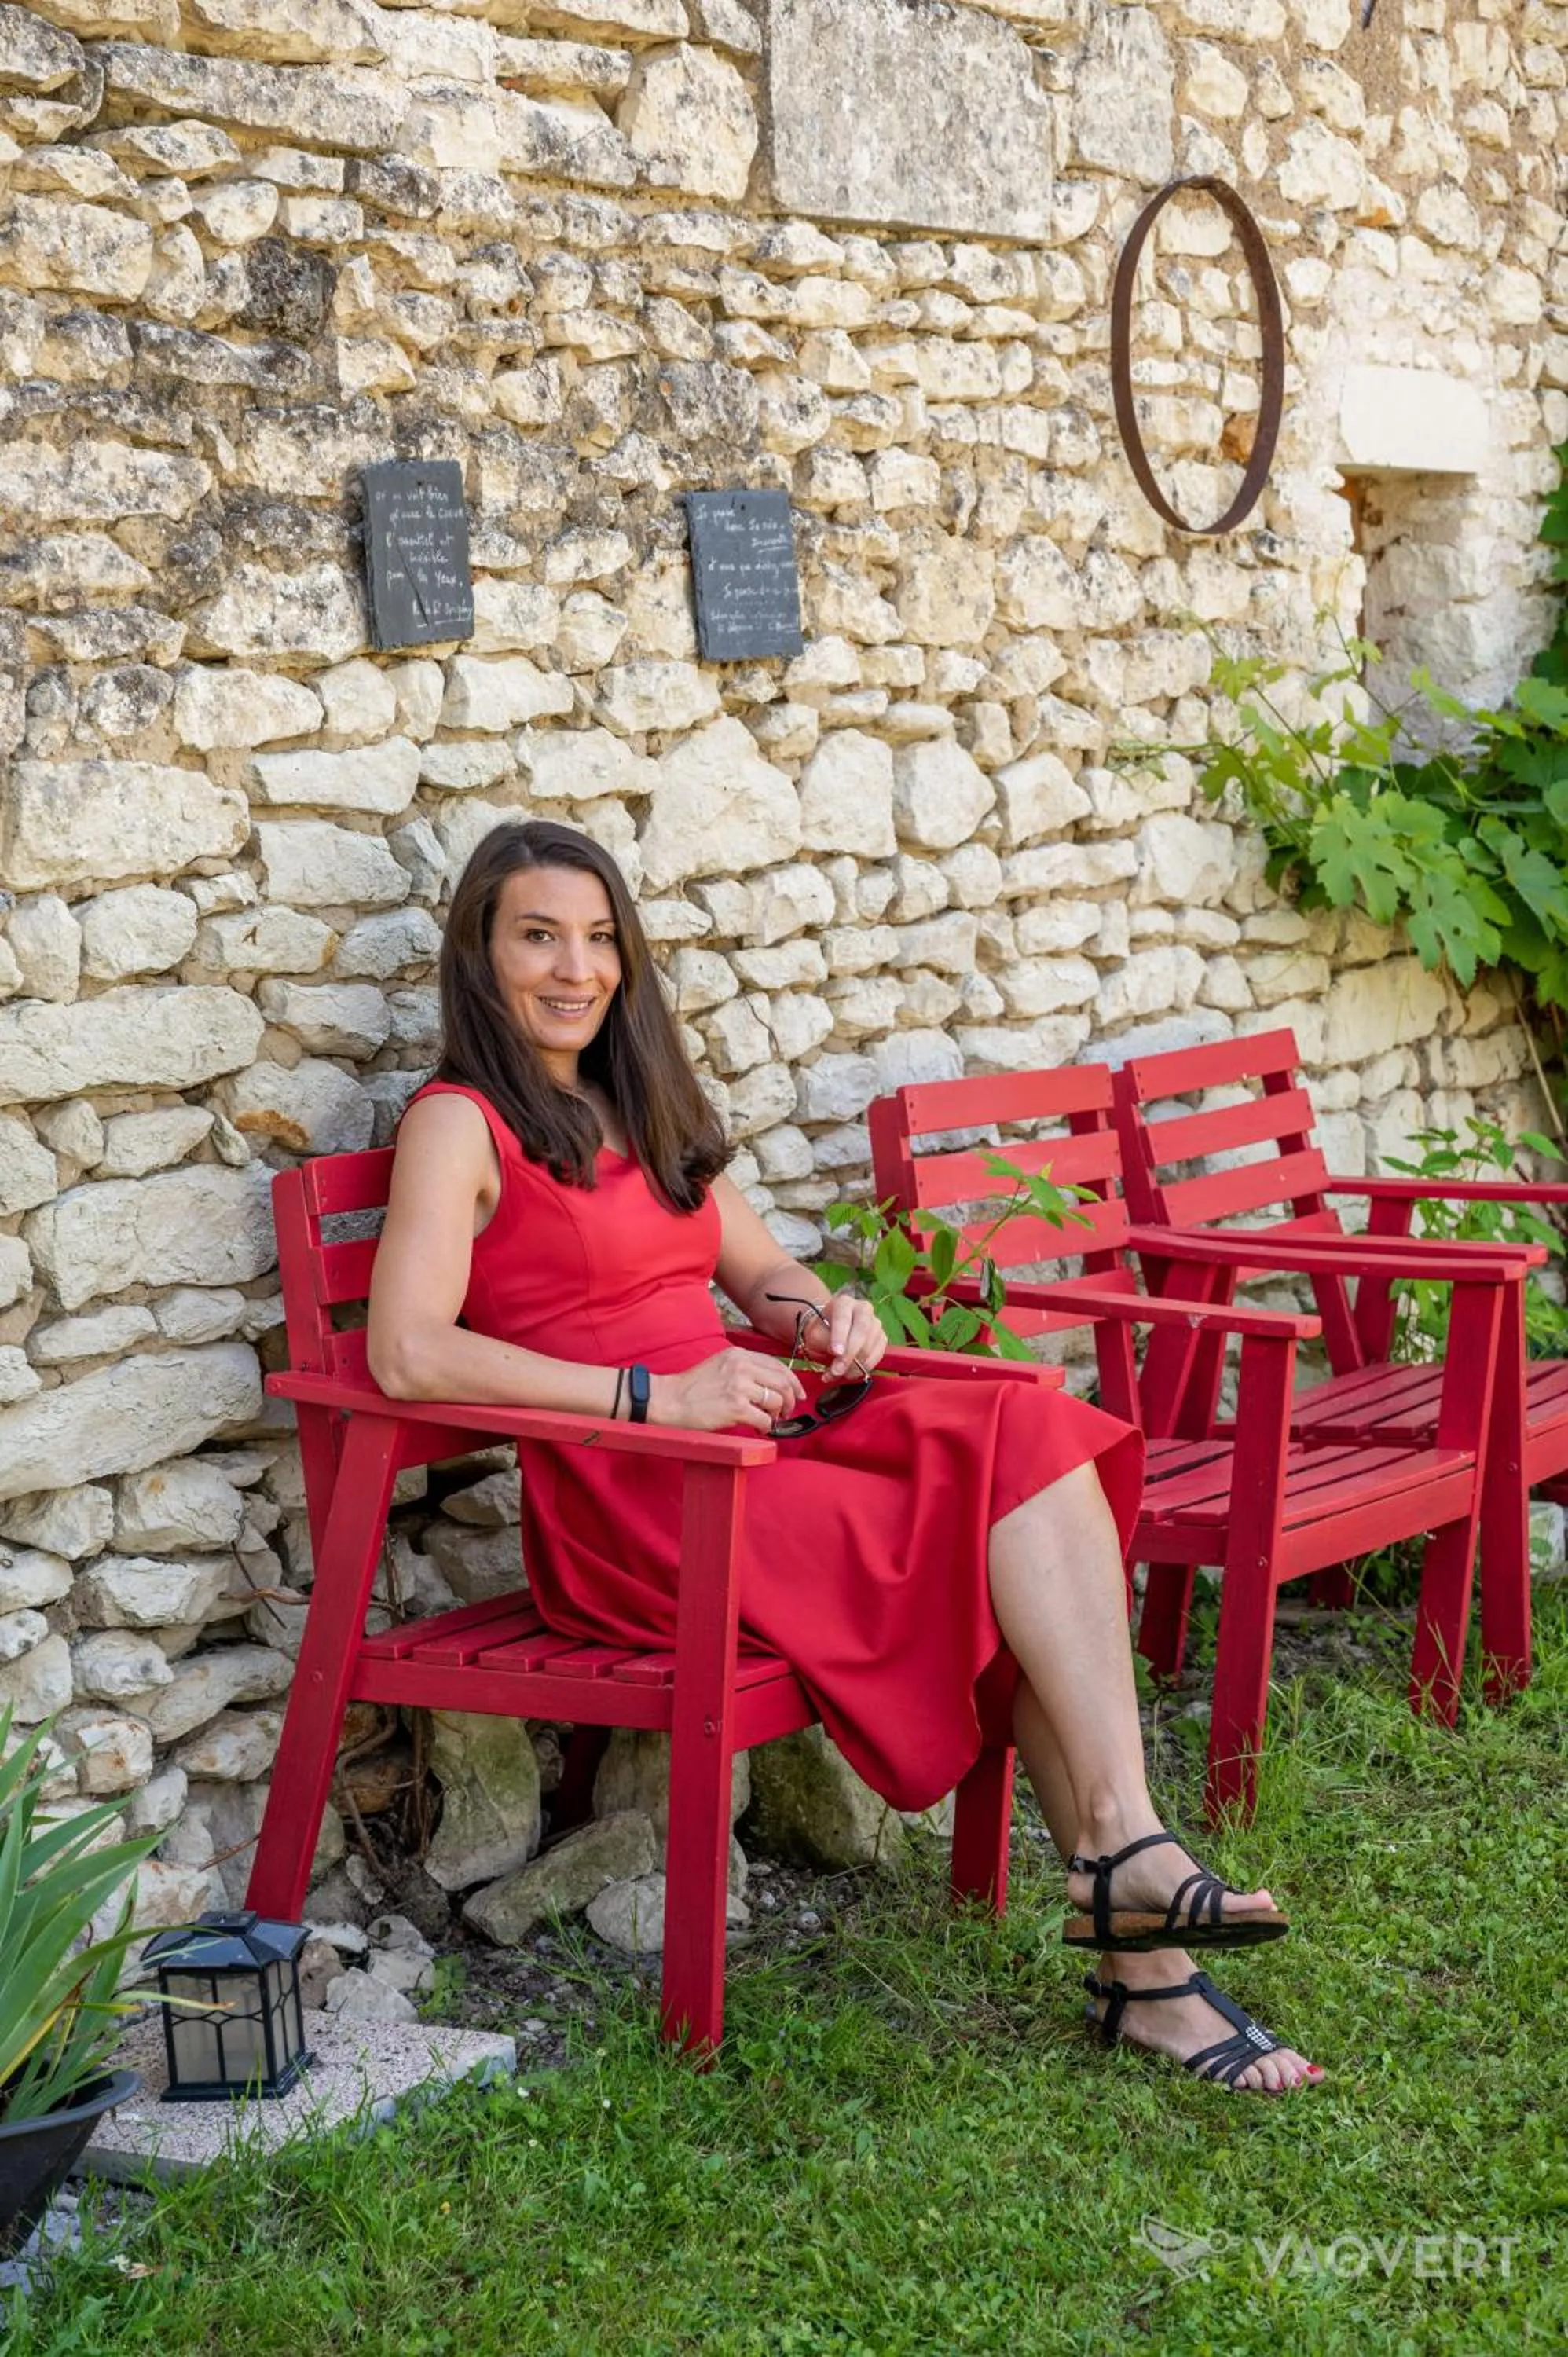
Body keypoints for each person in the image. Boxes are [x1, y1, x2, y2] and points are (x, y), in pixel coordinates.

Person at [368, 820, 1321, 2095]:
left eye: (599, 939)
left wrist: (819, 1315)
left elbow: (753, 1267)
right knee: (987, 1536)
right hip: (640, 1501)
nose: (575, 968)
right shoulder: (461, 1124)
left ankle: (1125, 1870)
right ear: (480, 959)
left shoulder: (630, 1103)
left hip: (745, 1446)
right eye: (538, 936)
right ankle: (1136, 1926)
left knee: (1027, 1434)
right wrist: (657, 1392)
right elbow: (409, 1354)